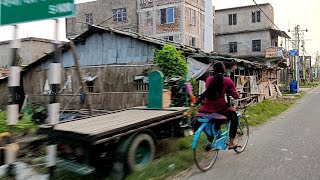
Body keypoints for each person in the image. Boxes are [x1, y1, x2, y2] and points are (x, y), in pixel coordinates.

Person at [198, 62, 240, 149]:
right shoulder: (228, 81)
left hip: (206, 108)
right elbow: (235, 95)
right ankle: (231, 142)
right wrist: (237, 95)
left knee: (215, 120)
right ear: (223, 70)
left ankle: (214, 138)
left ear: (214, 70)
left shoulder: (209, 79)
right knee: (234, 117)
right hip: (220, 108)